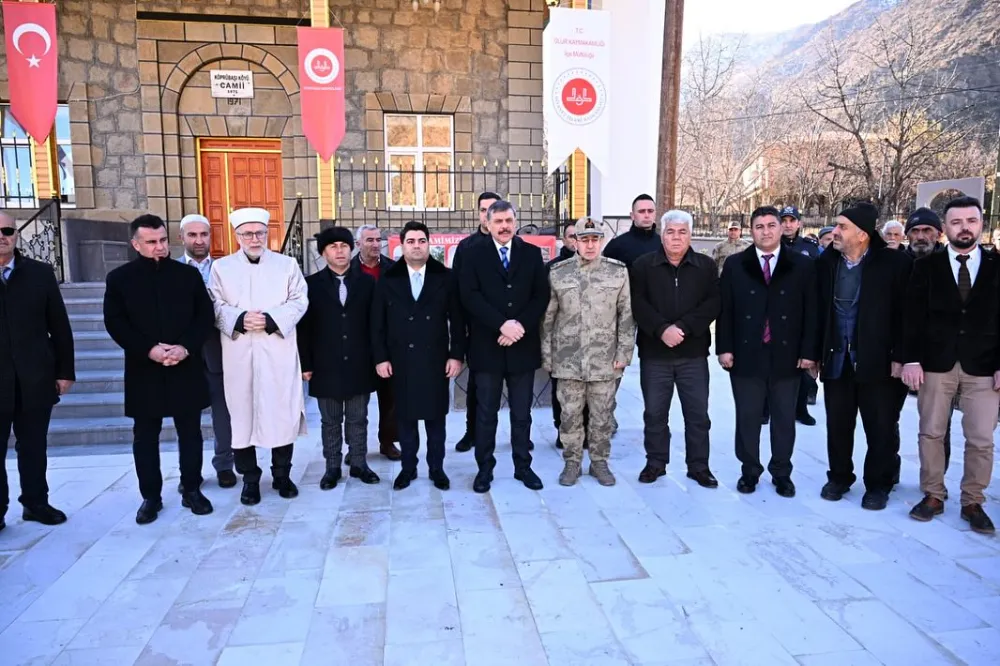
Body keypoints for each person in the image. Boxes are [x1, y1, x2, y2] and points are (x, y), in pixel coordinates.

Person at [104, 215, 215, 525]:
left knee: (190, 433)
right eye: (151, 242)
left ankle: (192, 489)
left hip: (185, 365)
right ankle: (150, 497)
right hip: (144, 368)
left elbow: (203, 317)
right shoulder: (119, 279)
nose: (159, 247)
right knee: (145, 436)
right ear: (136, 244)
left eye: (163, 240)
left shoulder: (188, 276)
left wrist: (184, 347)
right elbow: (115, 322)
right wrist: (149, 349)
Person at [902, 196, 998, 535]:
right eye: (956, 222)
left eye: (971, 221)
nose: (964, 228)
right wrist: (911, 358)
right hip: (935, 363)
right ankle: (933, 494)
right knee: (931, 432)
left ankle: (973, 501)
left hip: (984, 365)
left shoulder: (996, 264)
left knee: (982, 439)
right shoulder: (926, 266)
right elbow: (911, 318)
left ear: (980, 224)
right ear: (946, 228)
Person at [208, 207, 308, 506]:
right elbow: (214, 302)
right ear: (236, 236)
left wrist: (271, 318)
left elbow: (300, 299)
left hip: (277, 350)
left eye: (260, 233)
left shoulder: (287, 264)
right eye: (248, 234)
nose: (255, 238)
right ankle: (250, 479)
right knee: (242, 418)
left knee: (281, 412)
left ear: (268, 234)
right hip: (238, 353)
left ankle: (282, 475)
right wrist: (238, 318)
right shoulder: (221, 268)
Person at [717, 206, 818, 497]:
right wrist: (724, 348)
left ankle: (782, 473)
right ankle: (749, 471)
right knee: (748, 417)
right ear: (752, 231)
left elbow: (812, 311)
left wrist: (808, 351)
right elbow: (726, 309)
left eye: (771, 225)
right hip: (747, 354)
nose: (766, 231)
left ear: (782, 228)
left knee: (784, 418)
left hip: (787, 354)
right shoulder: (737, 264)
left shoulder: (801, 264)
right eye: (759, 226)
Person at [816, 202, 911, 511]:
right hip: (837, 359)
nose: (836, 232)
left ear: (863, 234)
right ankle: (840, 477)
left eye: (842, 227)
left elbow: (906, 315)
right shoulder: (826, 263)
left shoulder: (894, 265)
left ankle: (878, 484)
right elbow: (814, 313)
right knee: (838, 425)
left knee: (880, 427)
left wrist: (902, 356)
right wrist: (813, 355)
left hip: (879, 362)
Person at [460, 200, 550, 493]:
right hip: (488, 346)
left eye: (509, 220)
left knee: (522, 413)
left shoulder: (532, 254)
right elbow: (470, 297)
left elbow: (540, 296)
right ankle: (484, 469)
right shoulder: (472, 254)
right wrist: (502, 325)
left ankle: (523, 466)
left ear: (515, 221)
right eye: (498, 221)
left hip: (522, 346)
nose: (504, 226)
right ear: (487, 223)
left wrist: (518, 326)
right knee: (486, 414)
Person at [372, 221, 466, 491]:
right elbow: (377, 324)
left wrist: (456, 355)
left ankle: (437, 468)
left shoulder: (446, 277)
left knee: (436, 419)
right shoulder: (388, 279)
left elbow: (458, 321)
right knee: (405, 418)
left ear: (429, 244)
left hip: (435, 360)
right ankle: (408, 468)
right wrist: (381, 358)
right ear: (402, 245)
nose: (416, 246)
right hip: (400, 360)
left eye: (421, 241)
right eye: (410, 241)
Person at [630, 210, 720, 488]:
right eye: (671, 231)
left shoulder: (705, 265)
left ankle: (699, 466)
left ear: (690, 235)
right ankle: (656, 463)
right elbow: (637, 303)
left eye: (682, 232)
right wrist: (661, 330)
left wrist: (682, 328)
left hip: (692, 354)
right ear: (662, 233)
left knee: (697, 415)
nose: (676, 237)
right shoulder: (643, 265)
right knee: (655, 414)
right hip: (655, 354)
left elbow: (712, 303)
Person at [542, 219, 633, 486]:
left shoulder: (617, 272)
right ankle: (571, 463)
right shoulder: (558, 272)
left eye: (595, 239)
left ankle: (599, 462)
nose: (590, 245)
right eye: (584, 239)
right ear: (575, 242)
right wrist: (547, 356)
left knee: (602, 415)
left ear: (601, 241)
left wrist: (623, 353)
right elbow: (548, 317)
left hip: (604, 360)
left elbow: (626, 315)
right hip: (568, 359)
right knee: (569, 415)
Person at [0, 212, 73, 532]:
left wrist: (64, 371)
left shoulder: (40, 273)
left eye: (7, 230)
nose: (2, 236)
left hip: (35, 377)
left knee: (33, 445)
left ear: (16, 234)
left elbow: (59, 326)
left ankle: (35, 502)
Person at [299, 227, 380, 490]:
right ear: (323, 253)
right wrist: (306, 363)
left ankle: (359, 462)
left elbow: (376, 325)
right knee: (330, 420)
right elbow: (305, 328)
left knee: (359, 418)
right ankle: (332, 466)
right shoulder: (310, 285)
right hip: (325, 365)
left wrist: (378, 359)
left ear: (351, 248)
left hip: (360, 363)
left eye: (344, 246)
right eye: (333, 246)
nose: (340, 251)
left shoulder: (367, 283)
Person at [176, 214, 236, 490]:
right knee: (186, 419)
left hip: (218, 352)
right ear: (182, 238)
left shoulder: (226, 269)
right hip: (183, 356)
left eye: (204, 235)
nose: (199, 240)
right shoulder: (171, 270)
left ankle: (224, 465)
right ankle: (190, 472)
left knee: (223, 415)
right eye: (192, 235)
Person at [894, 207, 951, 483]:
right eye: (915, 231)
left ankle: (935, 482)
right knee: (886, 420)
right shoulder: (895, 263)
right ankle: (887, 474)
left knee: (938, 427)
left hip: (938, 361)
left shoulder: (952, 264)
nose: (920, 236)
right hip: (896, 357)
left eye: (927, 230)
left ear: (938, 233)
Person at [451, 191, 500, 454]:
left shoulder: (513, 244)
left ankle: (519, 434)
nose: (488, 214)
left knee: (515, 386)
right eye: (483, 210)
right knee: (476, 386)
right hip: (477, 331)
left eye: (493, 208)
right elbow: (460, 294)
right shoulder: (467, 247)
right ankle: (472, 432)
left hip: (509, 331)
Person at [351, 224, 401, 462]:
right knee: (354, 400)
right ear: (358, 243)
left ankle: (388, 441)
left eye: (377, 240)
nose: (374, 244)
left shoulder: (392, 269)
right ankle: (355, 447)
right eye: (369, 240)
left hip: (387, 342)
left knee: (390, 397)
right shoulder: (347, 269)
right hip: (357, 343)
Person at [548, 221, 588, 450]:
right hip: (562, 342)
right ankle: (561, 429)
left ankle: (586, 430)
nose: (575, 240)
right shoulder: (554, 269)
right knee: (561, 391)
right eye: (571, 236)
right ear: (564, 240)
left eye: (579, 236)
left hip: (591, 342)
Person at [779, 205, 819, 425]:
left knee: (803, 365)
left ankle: (800, 408)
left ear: (799, 224)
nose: (787, 224)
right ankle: (766, 408)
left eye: (791, 220)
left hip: (802, 311)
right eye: (783, 220)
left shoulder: (810, 247)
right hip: (776, 311)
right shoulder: (770, 246)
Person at [603, 194, 662, 267]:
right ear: (632, 216)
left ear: (655, 214)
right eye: (641, 211)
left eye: (650, 211)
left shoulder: (664, 244)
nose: (647, 215)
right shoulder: (616, 246)